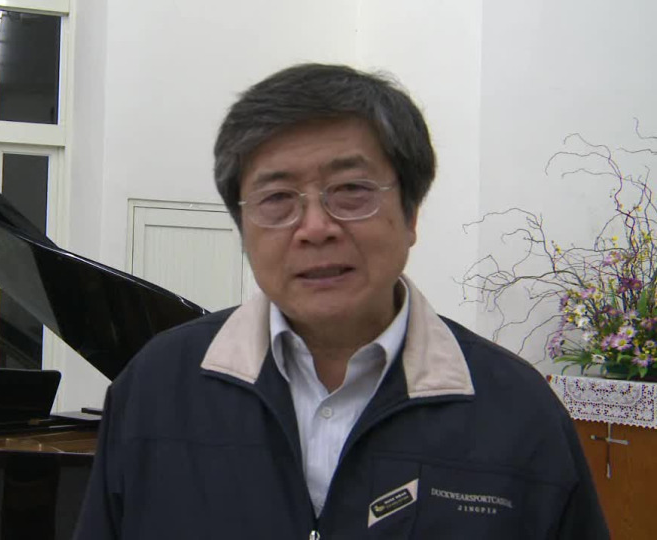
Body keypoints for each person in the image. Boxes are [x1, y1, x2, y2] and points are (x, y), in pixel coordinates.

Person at [74, 64, 608, 539]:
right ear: (243, 227)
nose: (315, 228)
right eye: (277, 198)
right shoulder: (155, 389)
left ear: (411, 214)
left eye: (351, 190)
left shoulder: (518, 412)